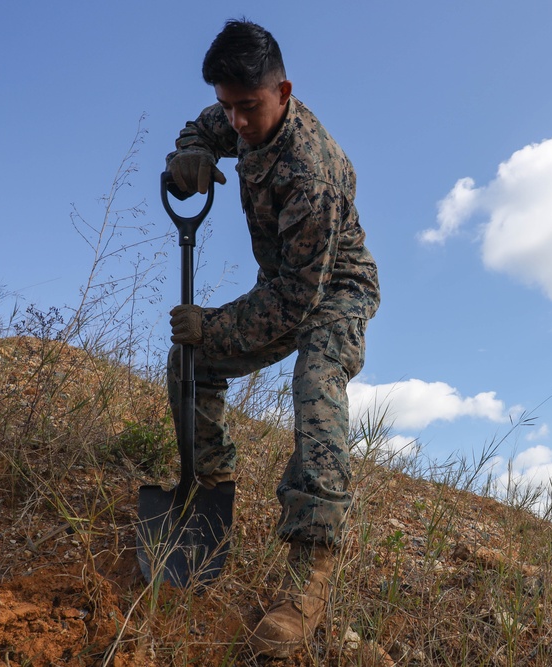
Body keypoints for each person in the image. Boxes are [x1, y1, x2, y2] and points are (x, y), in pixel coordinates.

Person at [164, 18, 380, 658]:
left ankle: (307, 574)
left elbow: (295, 300)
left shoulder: (311, 172)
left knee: (316, 386)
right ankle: (208, 492)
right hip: (287, 285)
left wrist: (215, 323)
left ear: (283, 91)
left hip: (333, 292)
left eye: (248, 108)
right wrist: (191, 152)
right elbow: (203, 125)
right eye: (228, 107)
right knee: (189, 360)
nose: (237, 122)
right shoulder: (238, 109)